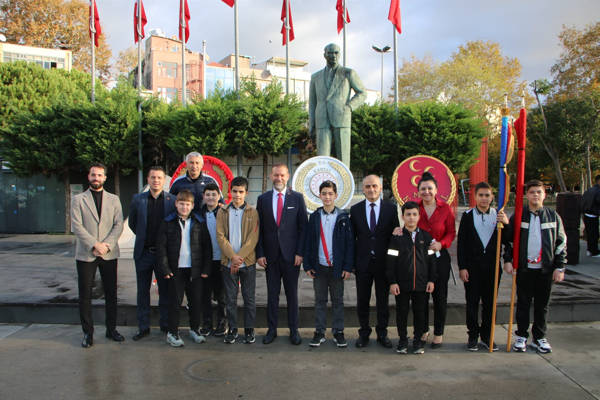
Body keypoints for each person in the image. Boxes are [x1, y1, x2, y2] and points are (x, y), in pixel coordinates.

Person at [393, 171, 456, 348]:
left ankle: (438, 333)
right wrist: (398, 229)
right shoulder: (416, 207)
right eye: (423, 189)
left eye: (430, 188)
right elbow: (408, 225)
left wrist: (441, 244)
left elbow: (451, 232)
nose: (426, 191)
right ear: (418, 191)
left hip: (439, 257)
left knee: (439, 297)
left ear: (436, 190)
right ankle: (423, 330)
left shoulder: (445, 208)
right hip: (419, 259)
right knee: (422, 298)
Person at [504, 180, 567, 353]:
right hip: (525, 269)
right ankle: (521, 336)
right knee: (523, 303)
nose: (535, 195)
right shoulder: (519, 215)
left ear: (544, 195)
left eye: (539, 192)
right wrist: (508, 260)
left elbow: (561, 243)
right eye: (532, 192)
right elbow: (509, 240)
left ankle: (539, 337)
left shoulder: (553, 216)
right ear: (526, 195)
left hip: (546, 269)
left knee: (542, 305)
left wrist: (560, 266)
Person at [70, 163, 124, 348]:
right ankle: (88, 333)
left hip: (109, 253)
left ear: (105, 178)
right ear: (88, 176)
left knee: (111, 293)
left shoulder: (114, 199)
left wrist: (105, 245)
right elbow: (77, 226)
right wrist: (95, 245)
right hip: (87, 253)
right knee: (85, 295)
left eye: (100, 175)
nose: (96, 178)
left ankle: (111, 329)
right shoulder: (78, 199)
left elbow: (118, 224)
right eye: (93, 175)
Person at [256, 162, 308, 345]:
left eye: (282, 175)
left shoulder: (297, 198)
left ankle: (294, 330)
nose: (279, 178)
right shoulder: (262, 199)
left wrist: (300, 253)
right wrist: (260, 253)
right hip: (270, 256)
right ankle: (272, 329)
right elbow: (259, 229)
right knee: (272, 294)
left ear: (288, 177)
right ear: (270, 176)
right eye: (276, 175)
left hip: (291, 256)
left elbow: (303, 227)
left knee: (292, 294)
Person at [156, 189, 213, 347]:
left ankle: (194, 329)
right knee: (175, 302)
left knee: (195, 302)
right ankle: (172, 332)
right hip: (176, 269)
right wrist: (165, 268)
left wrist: (206, 268)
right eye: (181, 204)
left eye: (188, 204)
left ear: (193, 205)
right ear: (176, 204)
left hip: (195, 269)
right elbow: (161, 247)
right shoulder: (167, 222)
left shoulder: (199, 222)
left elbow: (206, 246)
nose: (184, 207)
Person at [457, 182, 509, 352]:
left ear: (492, 197)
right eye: (481, 195)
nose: (484, 198)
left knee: (490, 303)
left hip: (492, 267)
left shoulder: (498, 215)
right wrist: (462, 267)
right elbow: (462, 244)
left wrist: (506, 224)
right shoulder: (467, 216)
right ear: (475, 196)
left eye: (487, 195)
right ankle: (473, 335)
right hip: (473, 267)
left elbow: (507, 240)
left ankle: (487, 335)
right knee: (472, 302)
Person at [351, 175, 400, 348]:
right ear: (363, 189)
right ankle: (363, 333)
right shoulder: (355, 210)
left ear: (380, 188)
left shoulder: (391, 209)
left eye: (374, 186)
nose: (371, 189)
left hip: (383, 263)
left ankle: (382, 333)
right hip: (362, 263)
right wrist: (352, 263)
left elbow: (395, 238)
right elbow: (352, 238)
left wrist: (394, 263)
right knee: (362, 300)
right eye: (368, 186)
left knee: (382, 300)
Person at [303, 181, 354, 347]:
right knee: (320, 301)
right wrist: (307, 264)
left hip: (337, 267)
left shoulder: (343, 217)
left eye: (330, 194)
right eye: (324, 193)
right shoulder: (314, 217)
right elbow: (309, 241)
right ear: (319, 195)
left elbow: (349, 244)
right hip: (319, 266)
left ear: (336, 196)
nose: (327, 197)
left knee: (338, 301)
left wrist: (347, 267)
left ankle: (338, 332)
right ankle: (319, 332)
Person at [128, 166, 176, 340]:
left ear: (164, 180)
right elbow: (132, 223)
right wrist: (143, 237)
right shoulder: (138, 199)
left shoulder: (172, 200)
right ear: (147, 179)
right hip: (143, 253)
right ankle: (143, 326)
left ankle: (165, 324)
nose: (156, 180)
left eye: (159, 178)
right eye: (153, 177)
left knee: (165, 291)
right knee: (143, 291)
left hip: (163, 255)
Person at [386, 201, 436, 354]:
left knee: (420, 313)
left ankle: (418, 340)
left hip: (421, 283)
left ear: (419, 216)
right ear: (402, 217)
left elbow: (432, 261)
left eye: (414, 214)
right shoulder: (396, 237)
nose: (411, 217)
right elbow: (391, 261)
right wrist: (393, 282)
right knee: (402, 312)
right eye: (408, 214)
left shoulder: (426, 237)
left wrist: (431, 280)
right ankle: (402, 340)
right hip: (402, 283)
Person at [216, 177, 260, 344]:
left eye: (241, 192)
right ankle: (233, 328)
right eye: (234, 191)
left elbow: (253, 239)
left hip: (247, 263)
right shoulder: (222, 211)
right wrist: (232, 258)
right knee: (230, 298)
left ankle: (249, 329)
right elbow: (220, 237)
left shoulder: (253, 212)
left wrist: (238, 259)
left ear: (246, 193)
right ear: (230, 192)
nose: (237, 195)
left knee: (249, 298)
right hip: (228, 263)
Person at [309, 43, 367, 168]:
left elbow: (362, 93)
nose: (334, 56)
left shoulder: (348, 73)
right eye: (330, 53)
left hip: (342, 117)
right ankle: (323, 179)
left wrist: (349, 106)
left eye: (336, 53)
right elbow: (313, 102)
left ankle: (344, 180)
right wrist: (312, 123)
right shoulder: (315, 77)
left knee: (343, 159)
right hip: (322, 119)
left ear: (339, 54)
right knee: (322, 160)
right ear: (325, 55)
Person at [199, 183, 227, 337]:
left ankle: (222, 321)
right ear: (203, 196)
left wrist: (226, 258)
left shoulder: (224, 212)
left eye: (214, 194)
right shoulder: (198, 214)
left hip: (220, 259)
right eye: (208, 194)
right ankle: (207, 322)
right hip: (205, 260)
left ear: (219, 196)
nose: (210, 197)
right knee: (205, 294)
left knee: (221, 294)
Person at [580, 175, 600, 258]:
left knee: (589, 233)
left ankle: (590, 250)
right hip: (593, 214)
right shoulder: (598, 191)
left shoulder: (589, 190)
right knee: (594, 234)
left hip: (586, 214)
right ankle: (594, 252)